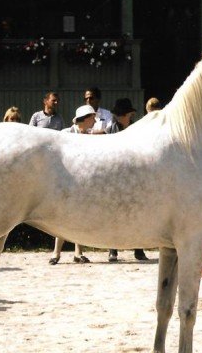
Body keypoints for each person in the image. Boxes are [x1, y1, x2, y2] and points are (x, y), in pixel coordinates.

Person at [49, 105, 97, 265]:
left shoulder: (91, 136)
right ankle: (56, 253)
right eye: (92, 118)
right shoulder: (66, 134)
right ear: (85, 118)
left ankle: (78, 253)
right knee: (63, 218)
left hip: (83, 183)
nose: (95, 121)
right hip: (66, 182)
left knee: (80, 218)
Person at [105, 98, 149, 262]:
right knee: (114, 214)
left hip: (134, 175)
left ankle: (138, 249)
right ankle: (113, 249)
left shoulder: (137, 129)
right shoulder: (110, 130)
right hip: (115, 175)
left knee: (137, 214)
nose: (129, 116)